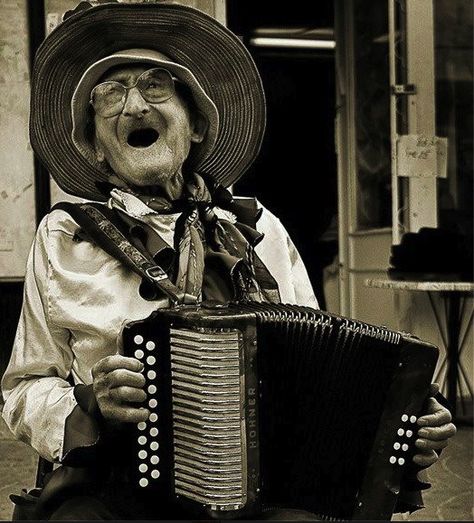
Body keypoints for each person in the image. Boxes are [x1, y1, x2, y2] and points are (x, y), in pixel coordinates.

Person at [1, 1, 455, 520]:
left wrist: (406, 416)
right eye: (110, 95)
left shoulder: (259, 229)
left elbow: (327, 370)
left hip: (258, 483)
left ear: (195, 126)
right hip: (113, 481)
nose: (134, 107)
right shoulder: (64, 236)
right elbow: (23, 390)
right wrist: (89, 405)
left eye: (156, 86)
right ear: (97, 150)